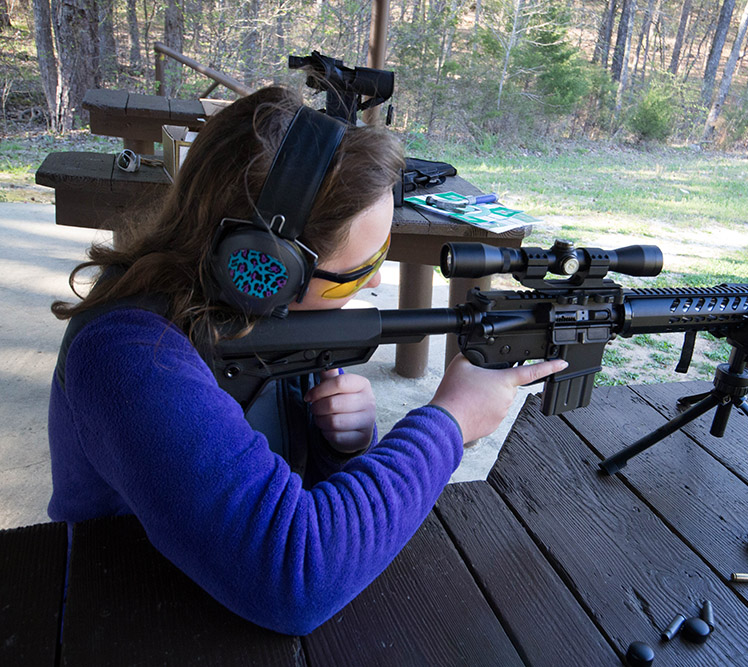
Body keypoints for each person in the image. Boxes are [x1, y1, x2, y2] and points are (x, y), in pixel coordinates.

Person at [47, 86, 566, 636]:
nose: (374, 284)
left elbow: (286, 488)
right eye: (360, 272)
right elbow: (293, 578)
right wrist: (448, 423)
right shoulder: (129, 356)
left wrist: (333, 444)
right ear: (263, 266)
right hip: (120, 619)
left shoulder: (249, 317)